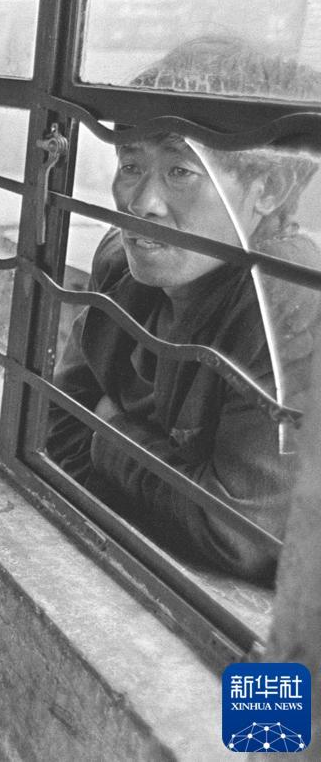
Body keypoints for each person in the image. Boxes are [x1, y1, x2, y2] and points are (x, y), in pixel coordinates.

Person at [46, 38, 321, 582]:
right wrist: (175, 480)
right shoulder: (123, 265)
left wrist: (108, 430)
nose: (139, 203)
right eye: (131, 164)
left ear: (267, 189)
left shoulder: (289, 299)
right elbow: (53, 423)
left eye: (180, 172)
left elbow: (238, 534)